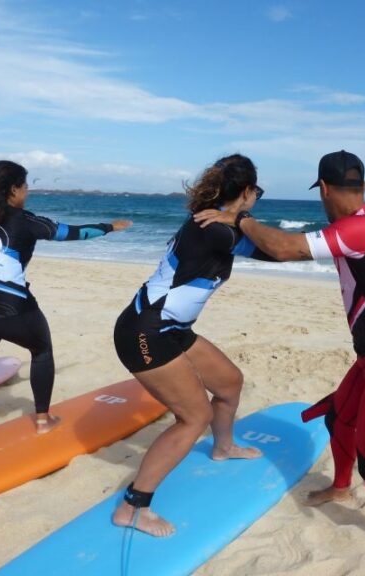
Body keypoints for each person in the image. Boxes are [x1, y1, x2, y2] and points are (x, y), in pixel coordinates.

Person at [194, 150, 365, 575]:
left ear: (326, 189)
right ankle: (340, 488)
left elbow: (284, 248)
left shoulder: (356, 228)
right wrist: (228, 239)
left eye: (321, 193)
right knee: (339, 417)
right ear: (363, 187)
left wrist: (238, 219)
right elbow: (280, 249)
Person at [111, 153, 270, 538]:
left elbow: (268, 246)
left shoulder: (216, 221)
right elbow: (280, 250)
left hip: (173, 328)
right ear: (246, 192)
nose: (257, 198)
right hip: (145, 332)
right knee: (193, 417)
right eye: (257, 192)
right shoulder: (215, 227)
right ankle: (133, 506)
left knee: (229, 382)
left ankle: (224, 447)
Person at [0, 160, 131, 456]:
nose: (27, 191)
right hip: (13, 310)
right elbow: (72, 233)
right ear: (12, 189)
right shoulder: (24, 221)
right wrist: (109, 227)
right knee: (41, 351)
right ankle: (43, 419)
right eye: (25, 185)